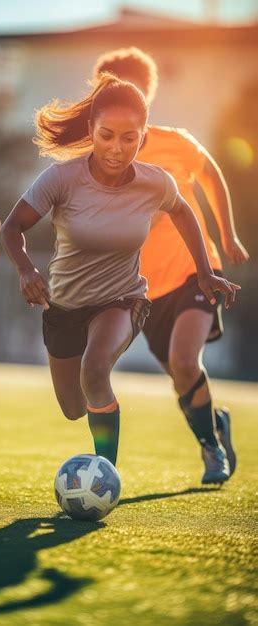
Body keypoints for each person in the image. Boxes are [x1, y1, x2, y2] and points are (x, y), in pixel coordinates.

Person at [0, 74, 239, 483]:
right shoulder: (61, 178)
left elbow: (183, 212)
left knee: (96, 368)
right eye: (107, 135)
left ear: (142, 138)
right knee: (74, 407)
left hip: (122, 300)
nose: (116, 148)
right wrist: (25, 268)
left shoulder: (154, 182)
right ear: (91, 130)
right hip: (63, 307)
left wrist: (204, 272)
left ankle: (103, 475)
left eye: (129, 138)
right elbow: (11, 228)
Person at [93, 47, 249, 483]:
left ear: (147, 96)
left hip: (192, 272)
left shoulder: (175, 142)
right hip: (140, 289)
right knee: (182, 379)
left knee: (185, 361)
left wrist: (227, 233)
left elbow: (213, 174)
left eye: (134, 93)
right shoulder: (97, 154)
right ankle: (214, 424)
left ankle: (212, 451)